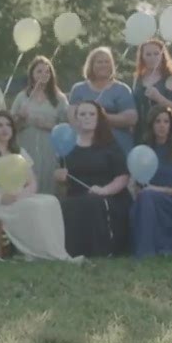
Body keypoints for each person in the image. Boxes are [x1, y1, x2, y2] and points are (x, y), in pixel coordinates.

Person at [0, 110, 73, 261]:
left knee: (51, 201)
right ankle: (35, 251)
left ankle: (53, 249)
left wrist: (22, 195)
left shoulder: (19, 151)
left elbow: (32, 182)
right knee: (34, 207)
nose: (4, 129)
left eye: (8, 125)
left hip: (17, 197)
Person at [56, 101, 130, 257]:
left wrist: (104, 190)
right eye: (82, 114)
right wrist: (60, 177)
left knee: (93, 203)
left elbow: (122, 177)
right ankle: (72, 252)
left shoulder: (110, 144)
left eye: (91, 114)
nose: (87, 117)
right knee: (65, 205)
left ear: (99, 118)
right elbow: (64, 178)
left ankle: (100, 251)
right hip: (77, 195)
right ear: (76, 119)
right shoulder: (68, 145)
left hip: (109, 196)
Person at [129, 106, 172, 259]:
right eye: (157, 121)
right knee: (144, 199)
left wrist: (158, 190)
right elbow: (140, 184)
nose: (162, 125)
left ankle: (146, 251)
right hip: (150, 200)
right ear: (151, 125)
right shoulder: (144, 150)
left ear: (171, 125)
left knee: (148, 197)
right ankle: (145, 249)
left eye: (166, 122)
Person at [10, 56, 68, 194]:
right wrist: (20, 118)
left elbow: (67, 129)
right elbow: (10, 127)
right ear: (32, 74)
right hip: (26, 147)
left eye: (47, 72)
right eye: (39, 71)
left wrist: (49, 125)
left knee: (49, 183)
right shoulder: (22, 97)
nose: (43, 75)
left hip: (50, 150)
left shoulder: (59, 99)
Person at [70, 46, 139, 155]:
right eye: (99, 62)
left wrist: (101, 116)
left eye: (107, 62)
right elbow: (73, 119)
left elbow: (131, 118)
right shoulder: (78, 89)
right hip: (87, 149)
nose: (103, 65)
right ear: (91, 65)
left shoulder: (122, 89)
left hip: (118, 148)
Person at [132, 37, 172, 142]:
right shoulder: (138, 79)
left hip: (167, 136)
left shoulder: (171, 79)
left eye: (156, 53)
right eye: (148, 54)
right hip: (142, 135)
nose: (152, 57)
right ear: (142, 57)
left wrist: (159, 98)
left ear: (162, 55)